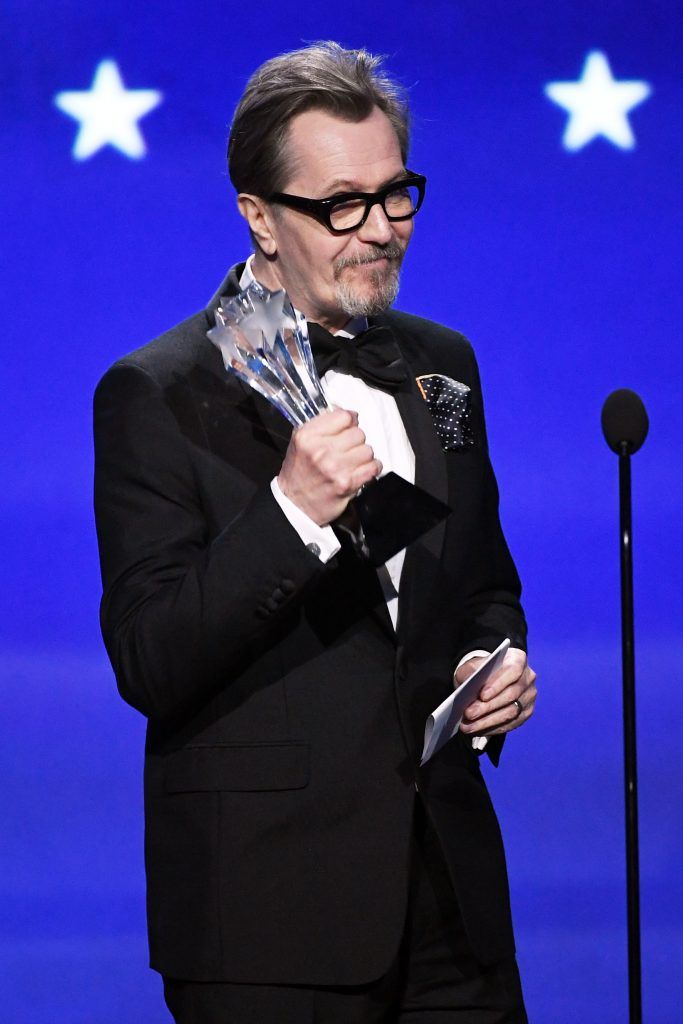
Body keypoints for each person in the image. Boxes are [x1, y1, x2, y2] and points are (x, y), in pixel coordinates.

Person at [94, 41, 537, 1023]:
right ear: (258, 214)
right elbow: (149, 658)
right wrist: (290, 510)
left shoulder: (441, 368)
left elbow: (481, 575)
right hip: (270, 919)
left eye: (395, 195)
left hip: (451, 902)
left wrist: (491, 653)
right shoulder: (158, 394)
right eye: (341, 204)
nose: (379, 230)